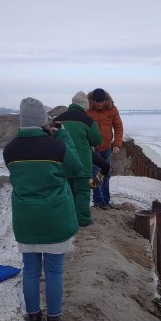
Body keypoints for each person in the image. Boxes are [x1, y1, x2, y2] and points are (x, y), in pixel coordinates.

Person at [3, 97, 82, 321]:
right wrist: (63, 136)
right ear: (43, 121)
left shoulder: (10, 150)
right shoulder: (55, 147)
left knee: (30, 270)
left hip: (26, 219)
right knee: (54, 271)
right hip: (54, 219)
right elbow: (76, 168)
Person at [52, 91, 102, 227]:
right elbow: (97, 140)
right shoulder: (88, 121)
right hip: (82, 163)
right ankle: (83, 220)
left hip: (63, 162)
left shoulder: (58, 119)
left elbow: (51, 137)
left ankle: (70, 218)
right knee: (83, 191)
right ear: (84, 106)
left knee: (69, 191)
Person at [86, 87, 124, 209]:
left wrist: (117, 144)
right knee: (96, 175)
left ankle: (106, 202)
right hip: (93, 148)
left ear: (105, 100)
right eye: (97, 102)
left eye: (102, 101)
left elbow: (118, 127)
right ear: (93, 101)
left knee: (106, 175)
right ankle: (98, 202)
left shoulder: (112, 109)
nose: (100, 104)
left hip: (107, 148)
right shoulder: (87, 110)